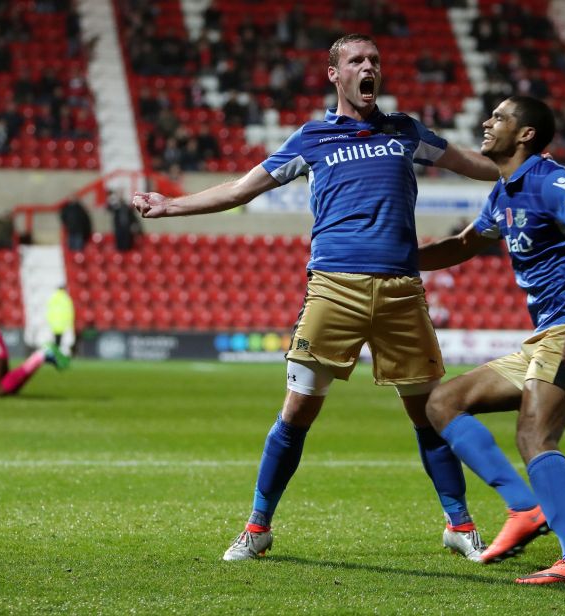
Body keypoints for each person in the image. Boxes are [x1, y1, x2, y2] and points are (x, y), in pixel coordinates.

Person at [132, 33, 500, 562]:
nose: (369, 66)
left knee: (431, 414)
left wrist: (526, 165)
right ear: (335, 74)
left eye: (375, 59)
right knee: (298, 411)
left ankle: (459, 524)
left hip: (401, 290)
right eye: (357, 60)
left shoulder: (405, 132)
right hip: (335, 288)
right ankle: (257, 527)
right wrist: (170, 206)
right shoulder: (311, 138)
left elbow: (474, 164)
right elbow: (240, 189)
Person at [419, 96, 565, 584]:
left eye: (499, 117)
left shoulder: (551, 181)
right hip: (546, 337)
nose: (486, 123)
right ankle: (526, 507)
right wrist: (396, 256)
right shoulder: (502, 192)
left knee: (535, 435)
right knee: (443, 402)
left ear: (526, 134)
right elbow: (464, 245)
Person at [46, 286, 76, 351]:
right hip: (62, 323)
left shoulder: (53, 298)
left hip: (54, 323)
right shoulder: (66, 298)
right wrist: (70, 322)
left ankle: (54, 353)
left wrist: (50, 320)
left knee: (55, 339)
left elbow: (49, 310)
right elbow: (70, 311)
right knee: (59, 340)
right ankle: (57, 353)